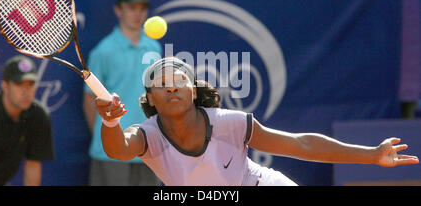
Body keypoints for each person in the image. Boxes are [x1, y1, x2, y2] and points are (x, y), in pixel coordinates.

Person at [95, 57, 419, 186]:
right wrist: (110, 123)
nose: (170, 86)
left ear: (193, 91)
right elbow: (119, 150)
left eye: (178, 79)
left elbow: (300, 144)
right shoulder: (148, 136)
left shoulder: (230, 123)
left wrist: (371, 154)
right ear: (151, 99)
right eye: (160, 83)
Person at [83, 0, 162, 186]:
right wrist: (109, 140)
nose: (138, 13)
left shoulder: (154, 47)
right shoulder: (103, 51)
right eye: (132, 7)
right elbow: (90, 100)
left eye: (142, 8)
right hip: (111, 154)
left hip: (148, 146)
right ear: (118, 10)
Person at [0, 55, 54, 186]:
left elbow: (33, 165)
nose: (26, 91)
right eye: (19, 84)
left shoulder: (38, 115)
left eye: (31, 85)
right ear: (5, 86)